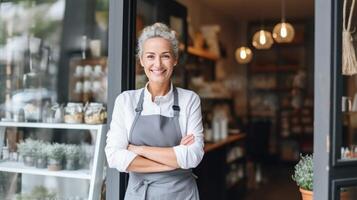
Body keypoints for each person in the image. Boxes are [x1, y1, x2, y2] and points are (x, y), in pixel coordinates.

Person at [105, 22, 204, 200]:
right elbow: (114, 157)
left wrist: (139, 149)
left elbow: (193, 156)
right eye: (150, 56)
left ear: (175, 59)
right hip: (139, 194)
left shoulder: (189, 100)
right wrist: (174, 160)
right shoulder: (126, 101)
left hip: (181, 194)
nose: (157, 64)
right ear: (142, 60)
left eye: (165, 56)